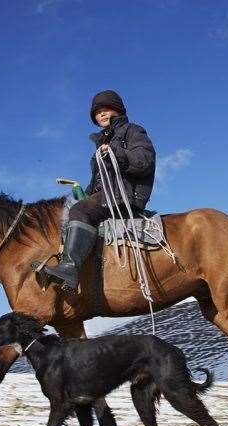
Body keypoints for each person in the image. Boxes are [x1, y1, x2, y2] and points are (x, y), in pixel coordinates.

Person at [45, 89, 156, 291]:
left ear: (118, 111)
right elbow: (99, 183)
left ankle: (70, 268)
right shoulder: (101, 144)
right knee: (72, 206)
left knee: (80, 211)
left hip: (124, 196)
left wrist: (116, 152)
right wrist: (83, 193)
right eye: (98, 112)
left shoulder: (133, 131)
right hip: (107, 195)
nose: (102, 114)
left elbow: (145, 161)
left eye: (107, 108)